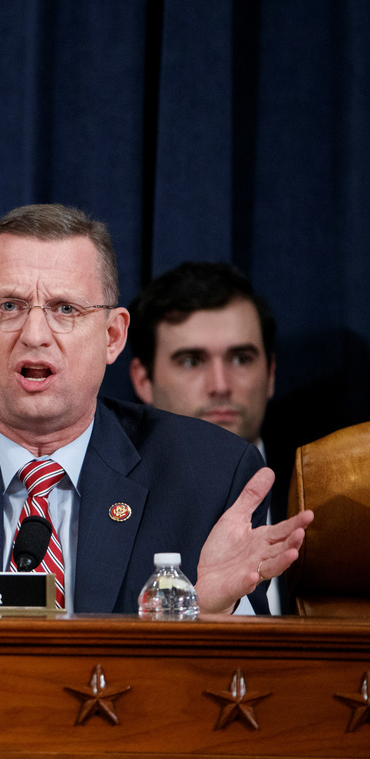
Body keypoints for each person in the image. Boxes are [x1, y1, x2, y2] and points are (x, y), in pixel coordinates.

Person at [0, 204, 311, 615]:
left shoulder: (210, 479)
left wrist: (212, 615)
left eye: (66, 309)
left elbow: (250, 696)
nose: (35, 334)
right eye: (10, 306)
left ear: (113, 336)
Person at [127, 262, 284, 613]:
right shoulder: (117, 504)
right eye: (192, 361)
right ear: (143, 380)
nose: (220, 385)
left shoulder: (324, 493)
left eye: (241, 358)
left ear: (271, 373)